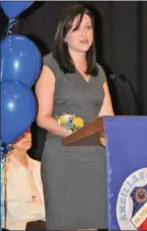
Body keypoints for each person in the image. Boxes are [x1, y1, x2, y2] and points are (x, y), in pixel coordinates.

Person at [35, 4, 114, 230]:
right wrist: (77, 134)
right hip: (63, 157)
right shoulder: (50, 65)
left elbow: (108, 118)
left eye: (88, 28)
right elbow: (43, 118)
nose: (84, 34)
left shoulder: (98, 71)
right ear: (64, 33)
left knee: (92, 224)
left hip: (95, 161)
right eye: (77, 28)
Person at [1, 130, 45, 230]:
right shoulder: (4, 169)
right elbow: (16, 211)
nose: (26, 136)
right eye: (20, 132)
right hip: (17, 226)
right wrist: (50, 213)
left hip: (43, 221)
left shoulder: (39, 166)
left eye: (28, 131)